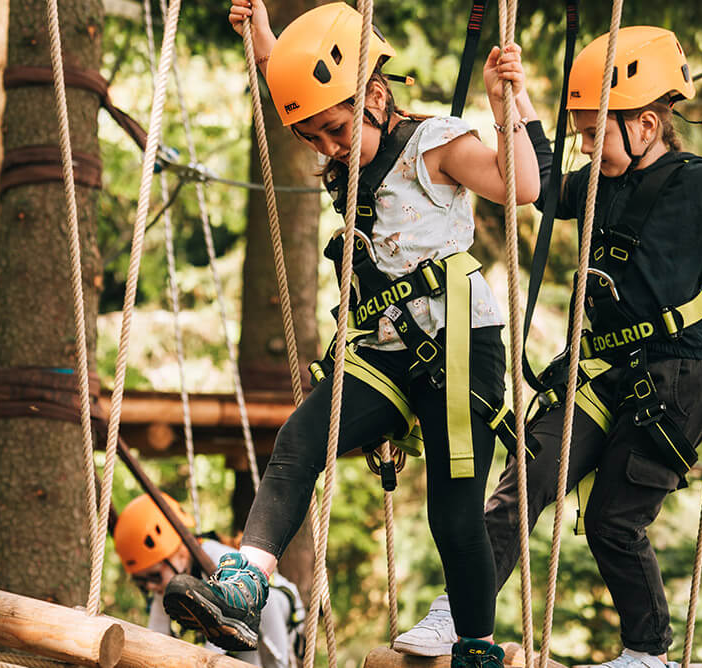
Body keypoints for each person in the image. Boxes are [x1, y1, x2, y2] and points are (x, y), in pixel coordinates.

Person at [392, 26, 702, 668]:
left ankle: (645, 653)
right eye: (582, 133)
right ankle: (460, 610)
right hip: (600, 370)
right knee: (523, 480)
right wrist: (518, 105)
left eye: (595, 134)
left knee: (614, 519)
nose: (587, 146)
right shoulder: (598, 183)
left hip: (677, 378)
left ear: (645, 125)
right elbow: (546, 187)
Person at [161, 2, 541, 667]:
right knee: (300, 439)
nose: (329, 149)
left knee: (454, 516)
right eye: (313, 139)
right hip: (384, 348)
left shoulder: (437, 143)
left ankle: (475, 644)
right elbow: (295, 72)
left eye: (336, 130)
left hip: (457, 348)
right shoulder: (345, 148)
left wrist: (505, 105)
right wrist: (262, 39)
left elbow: (524, 186)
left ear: (373, 94)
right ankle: (246, 583)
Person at [113, 493, 304, 668]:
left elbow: (224, 632)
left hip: (272, 612)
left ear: (179, 554)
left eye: (154, 576)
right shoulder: (166, 585)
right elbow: (155, 637)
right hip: (240, 631)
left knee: (256, 640)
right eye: (141, 581)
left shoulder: (215, 555)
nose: (151, 586)